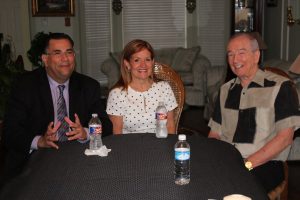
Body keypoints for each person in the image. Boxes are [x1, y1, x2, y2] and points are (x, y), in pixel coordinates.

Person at [1, 32, 112, 183]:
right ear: (45, 59)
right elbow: (10, 131)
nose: (65, 59)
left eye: (69, 52)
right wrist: (40, 141)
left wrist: (86, 132)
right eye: (57, 53)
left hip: (79, 160)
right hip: (33, 162)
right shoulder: (24, 86)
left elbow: (106, 124)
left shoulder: (88, 86)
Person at [208, 33, 300, 193]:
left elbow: (285, 138)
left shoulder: (281, 87)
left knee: (233, 190)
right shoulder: (225, 90)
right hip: (229, 160)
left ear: (256, 55)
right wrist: (213, 158)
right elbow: (214, 134)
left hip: (265, 163)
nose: (235, 60)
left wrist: (246, 164)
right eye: (230, 54)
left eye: (241, 53)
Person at [106, 39, 178, 134]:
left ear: (152, 62)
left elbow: (170, 125)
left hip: (161, 144)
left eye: (147, 60)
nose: (143, 65)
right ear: (127, 64)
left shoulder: (164, 88)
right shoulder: (117, 94)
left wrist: (168, 147)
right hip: (129, 146)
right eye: (137, 60)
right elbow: (117, 132)